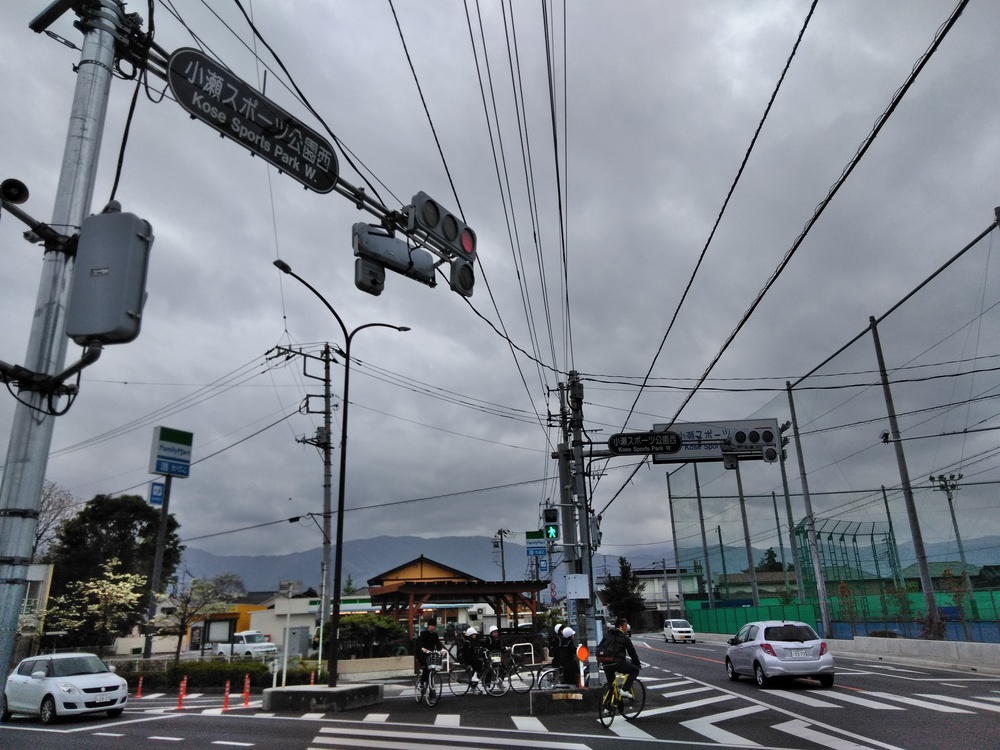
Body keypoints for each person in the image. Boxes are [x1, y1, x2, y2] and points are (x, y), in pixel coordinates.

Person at [602, 617, 641, 699]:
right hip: (617, 663)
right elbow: (632, 653)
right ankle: (625, 690)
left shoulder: (607, 635)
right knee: (635, 670)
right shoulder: (624, 638)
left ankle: (608, 707)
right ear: (620, 627)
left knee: (611, 685)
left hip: (605, 663)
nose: (627, 628)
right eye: (625, 626)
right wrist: (637, 664)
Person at [415, 619, 444, 690]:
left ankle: (431, 686)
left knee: (433, 666)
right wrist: (422, 648)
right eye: (431, 625)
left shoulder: (435, 635)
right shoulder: (423, 633)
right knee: (427, 666)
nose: (433, 627)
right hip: (423, 654)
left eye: (434, 626)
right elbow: (420, 642)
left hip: (430, 654)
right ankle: (422, 682)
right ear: (428, 626)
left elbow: (438, 643)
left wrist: (440, 650)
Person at [458, 626, 487, 694]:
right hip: (467, 659)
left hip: (470, 658)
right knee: (479, 663)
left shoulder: (470, 642)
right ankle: (474, 677)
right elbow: (467, 653)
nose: (475, 636)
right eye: (474, 635)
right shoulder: (468, 642)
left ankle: (473, 686)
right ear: (470, 635)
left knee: (478, 664)